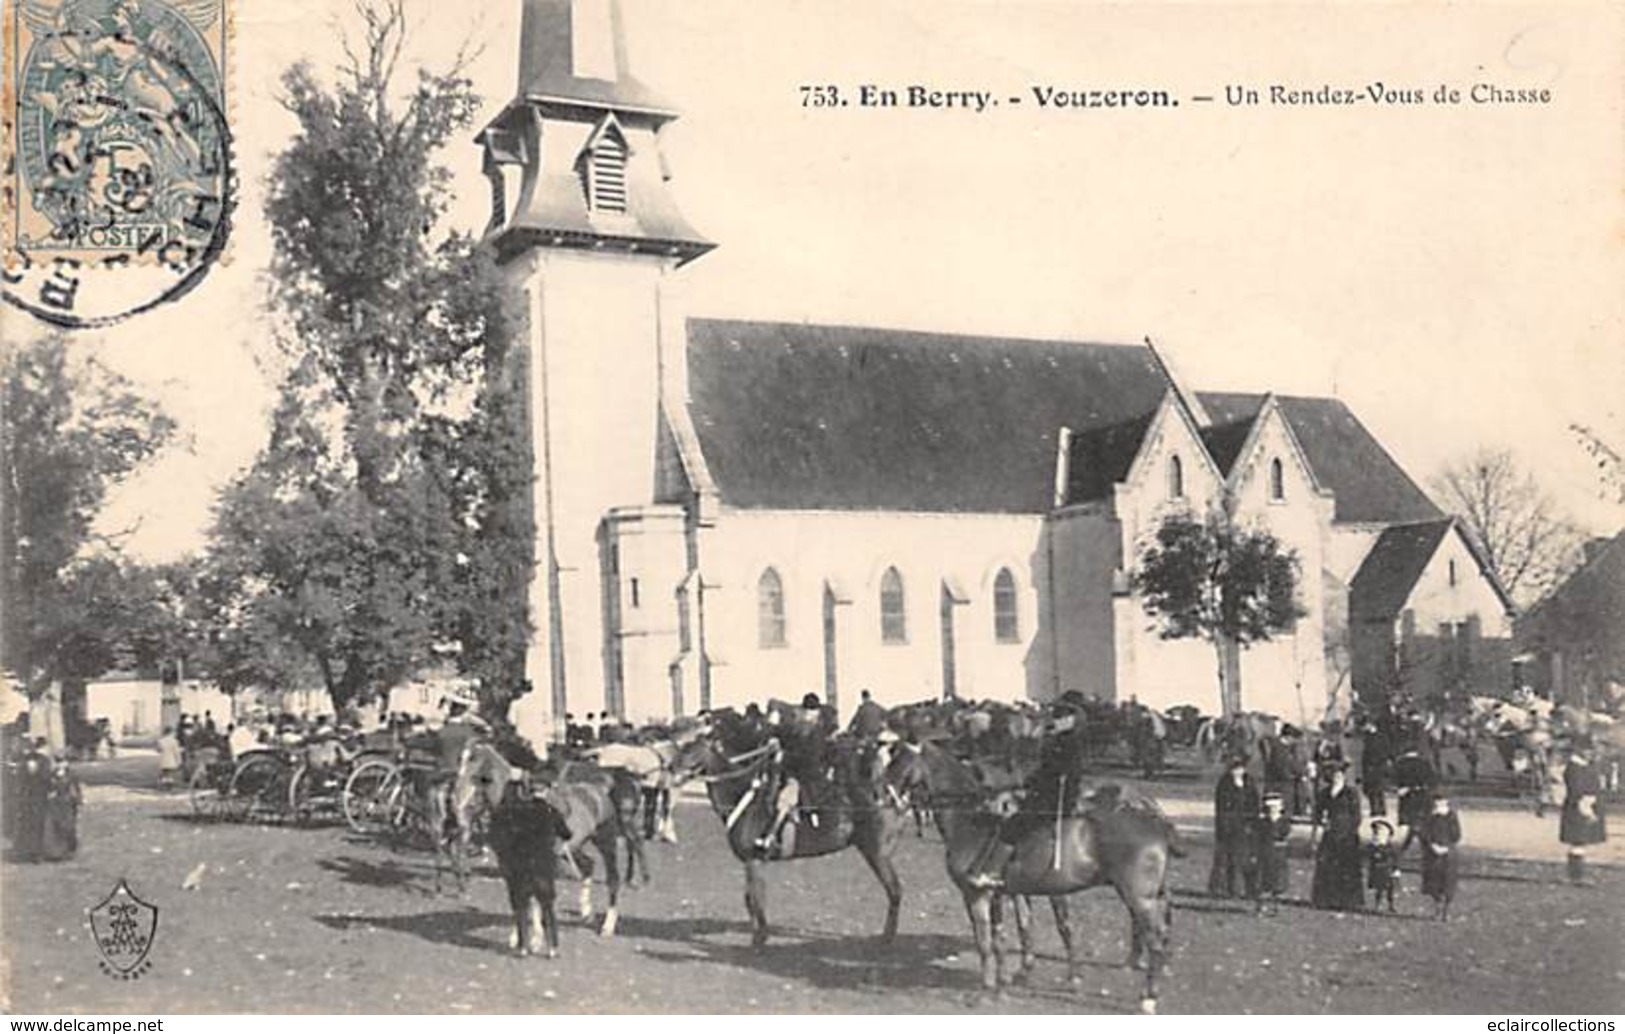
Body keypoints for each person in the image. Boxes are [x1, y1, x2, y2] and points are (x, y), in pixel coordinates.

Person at [1311, 761, 1365, 910]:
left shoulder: (1350, 793)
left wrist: (1349, 830)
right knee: (1327, 866)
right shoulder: (1324, 793)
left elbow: (1357, 816)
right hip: (1329, 834)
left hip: (1346, 836)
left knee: (1346, 867)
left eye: (1340, 775)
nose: (1337, 778)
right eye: (1334, 775)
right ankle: (1326, 899)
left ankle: (1348, 901)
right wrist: (1320, 822)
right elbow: (1317, 813)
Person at [1209, 755, 1260, 899]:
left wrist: (1252, 821)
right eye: (1234, 769)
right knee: (1225, 858)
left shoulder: (1249, 782)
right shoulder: (1225, 783)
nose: (1237, 772)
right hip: (1228, 825)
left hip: (1245, 824)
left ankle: (1246, 889)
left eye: (1240, 769)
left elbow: (1254, 803)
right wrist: (1225, 825)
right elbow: (1221, 807)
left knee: (1245, 858)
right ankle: (1222, 888)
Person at [1560, 737, 1606, 886]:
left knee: (1581, 842)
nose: (1590, 753)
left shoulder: (1585, 766)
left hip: (1585, 806)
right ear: (1579, 751)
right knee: (1577, 842)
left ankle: (1577, 874)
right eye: (1588, 750)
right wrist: (1587, 810)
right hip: (1579, 807)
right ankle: (1576, 876)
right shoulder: (1575, 767)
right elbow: (1577, 791)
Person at [1417, 794, 1461, 920]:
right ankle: (1437, 908)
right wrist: (1432, 845)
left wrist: (1447, 847)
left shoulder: (1451, 817)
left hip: (1448, 854)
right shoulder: (1428, 817)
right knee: (1434, 882)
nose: (1439, 805)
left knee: (1448, 882)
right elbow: (1423, 834)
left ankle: (1446, 911)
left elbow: (1456, 835)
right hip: (1432, 853)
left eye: (1441, 803)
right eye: (1436, 803)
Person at [1251, 792, 1293, 915]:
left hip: (1278, 855)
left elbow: (1284, 834)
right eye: (1270, 808)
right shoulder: (1262, 822)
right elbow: (1257, 837)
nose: (1272, 811)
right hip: (1264, 854)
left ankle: (1276, 906)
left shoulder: (1284, 822)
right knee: (1262, 881)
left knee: (1278, 881)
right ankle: (1260, 906)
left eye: (1275, 808)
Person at [41, 756, 82, 861]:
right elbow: (47, 787)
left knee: (68, 826)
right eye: (58, 762)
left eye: (62, 761)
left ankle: (70, 849)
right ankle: (56, 853)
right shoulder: (52, 774)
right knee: (55, 826)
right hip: (55, 804)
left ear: (67, 762)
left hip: (68, 803)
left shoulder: (71, 774)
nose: (60, 764)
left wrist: (77, 800)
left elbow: (76, 789)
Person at [1365, 818, 1400, 912]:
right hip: (1377, 869)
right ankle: (1377, 904)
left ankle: (1390, 904)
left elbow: (1394, 858)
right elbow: (1369, 854)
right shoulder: (1373, 846)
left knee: (1390, 888)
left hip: (1387, 869)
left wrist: (1396, 869)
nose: (1377, 835)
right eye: (1376, 833)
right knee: (1379, 888)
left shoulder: (1389, 847)